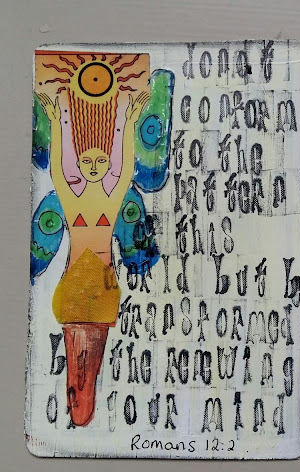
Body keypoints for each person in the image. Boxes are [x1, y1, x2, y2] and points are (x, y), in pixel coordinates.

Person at [36, 90, 149, 426]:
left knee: (89, 371)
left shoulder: (113, 200)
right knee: (77, 367)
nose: (95, 167)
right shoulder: (71, 200)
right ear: (80, 166)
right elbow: (59, 168)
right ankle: (79, 413)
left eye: (101, 162)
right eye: (87, 162)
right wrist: (58, 120)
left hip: (101, 293)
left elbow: (124, 167)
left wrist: (127, 121)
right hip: (75, 291)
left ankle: (82, 413)